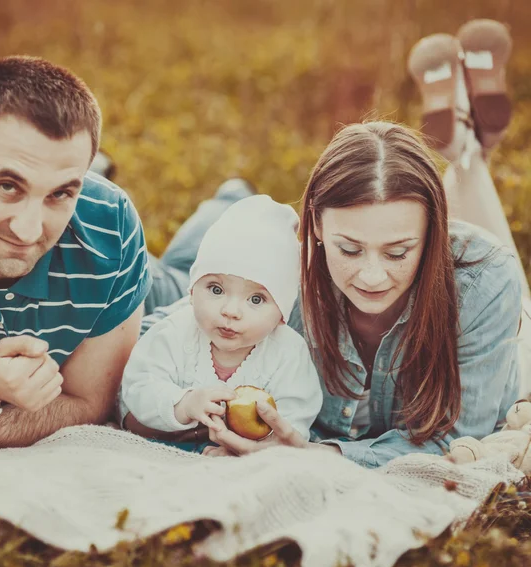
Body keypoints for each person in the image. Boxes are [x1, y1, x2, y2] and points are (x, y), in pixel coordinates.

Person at [135, 19, 531, 467]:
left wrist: (312, 453)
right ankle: (230, 198)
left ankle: (467, 150)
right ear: (315, 230)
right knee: (165, 282)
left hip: (520, 340)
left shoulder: (484, 282)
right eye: (349, 248)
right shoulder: (283, 264)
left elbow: (458, 438)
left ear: (434, 235)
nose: (372, 275)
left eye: (399, 251)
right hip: (235, 262)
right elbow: (151, 339)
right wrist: (184, 404)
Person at [0, 56, 151, 454]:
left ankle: (228, 195)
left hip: (153, 296)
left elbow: (90, 402)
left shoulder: (110, 226)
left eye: (60, 192)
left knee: (196, 274)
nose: (29, 231)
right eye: (7, 186)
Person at [119, 195, 323, 454]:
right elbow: (138, 386)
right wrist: (183, 404)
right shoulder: (172, 332)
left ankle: (231, 192)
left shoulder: (289, 353)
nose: (230, 311)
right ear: (192, 291)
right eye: (215, 289)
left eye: (256, 299)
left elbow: (296, 416)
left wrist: (248, 448)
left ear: (282, 314)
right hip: (161, 296)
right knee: (153, 269)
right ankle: (230, 194)